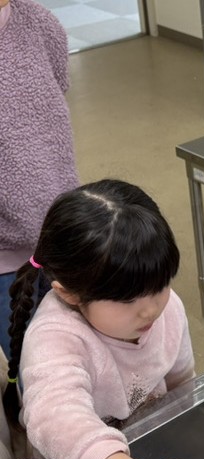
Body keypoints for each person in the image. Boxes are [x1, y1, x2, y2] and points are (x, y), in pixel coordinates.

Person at [3, 179, 202, 459]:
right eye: (129, 299)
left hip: (146, 455)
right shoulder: (55, 338)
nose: (151, 310)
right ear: (69, 294)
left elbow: (182, 383)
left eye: (160, 285)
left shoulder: (167, 309)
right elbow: (60, 423)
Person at [0, 0, 79, 359]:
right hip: (5, 259)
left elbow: (56, 95)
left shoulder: (40, 24)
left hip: (59, 236)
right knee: (33, 365)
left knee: (74, 352)